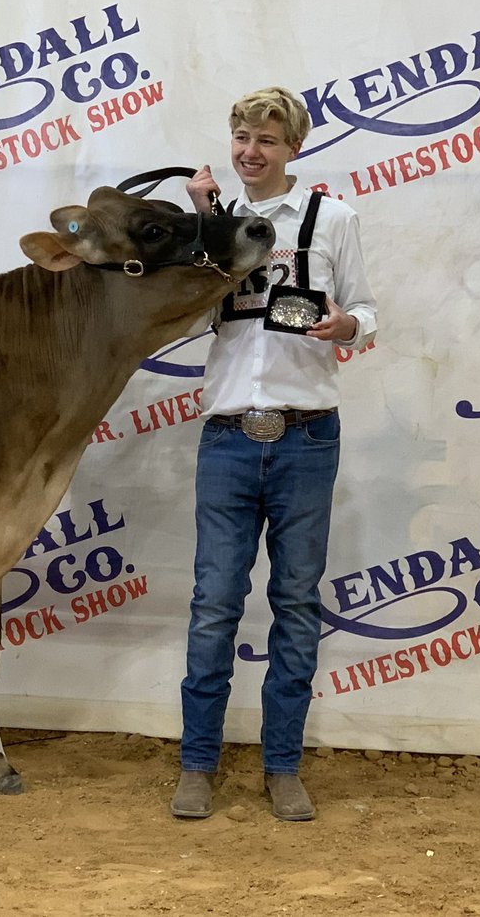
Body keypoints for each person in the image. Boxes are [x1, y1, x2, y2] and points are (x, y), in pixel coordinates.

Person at [171, 86, 378, 822]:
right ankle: (198, 763)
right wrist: (201, 222)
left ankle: (281, 764)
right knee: (214, 604)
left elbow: (368, 312)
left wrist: (347, 323)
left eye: (264, 139)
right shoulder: (215, 226)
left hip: (306, 434)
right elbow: (179, 308)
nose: (248, 151)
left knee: (294, 601)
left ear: (293, 147)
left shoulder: (335, 219)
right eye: (239, 137)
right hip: (228, 434)